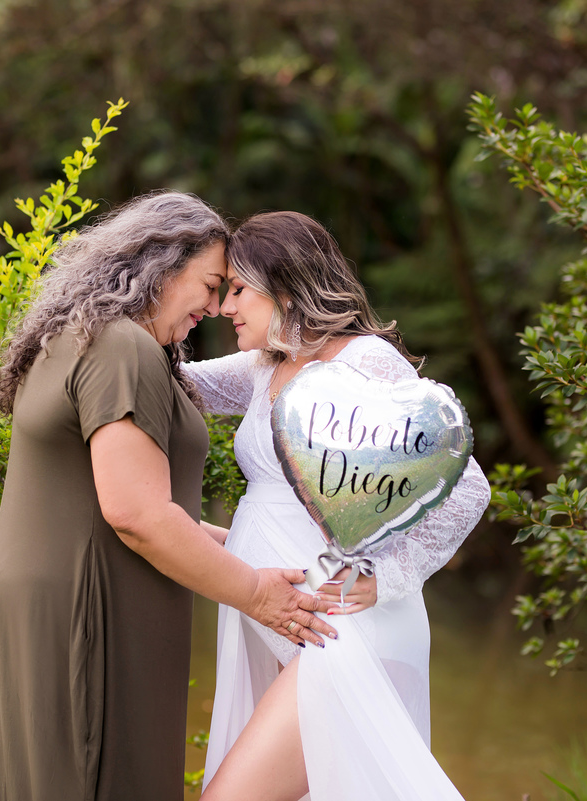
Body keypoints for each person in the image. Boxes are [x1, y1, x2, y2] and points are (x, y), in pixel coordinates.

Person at [0, 193, 338, 801]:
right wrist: (257, 597)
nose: (217, 307)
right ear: (162, 266)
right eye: (211, 284)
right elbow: (137, 514)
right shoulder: (124, 348)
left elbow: (108, 497)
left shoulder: (77, 334)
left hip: (47, 596)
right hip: (94, 605)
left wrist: (233, 542)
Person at [184, 211, 491, 801]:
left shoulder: (363, 362)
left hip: (341, 627)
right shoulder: (263, 367)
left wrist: (387, 572)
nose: (225, 307)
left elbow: (466, 485)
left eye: (240, 290)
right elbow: (172, 383)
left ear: (287, 288)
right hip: (282, 617)